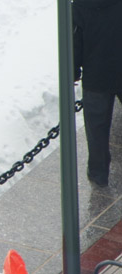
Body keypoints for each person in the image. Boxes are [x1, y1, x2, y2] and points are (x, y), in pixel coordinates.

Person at [73, 0, 122, 187]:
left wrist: (74, 70)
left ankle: (98, 174)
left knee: (96, 130)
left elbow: (76, 41)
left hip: (96, 76)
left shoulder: (79, 5)